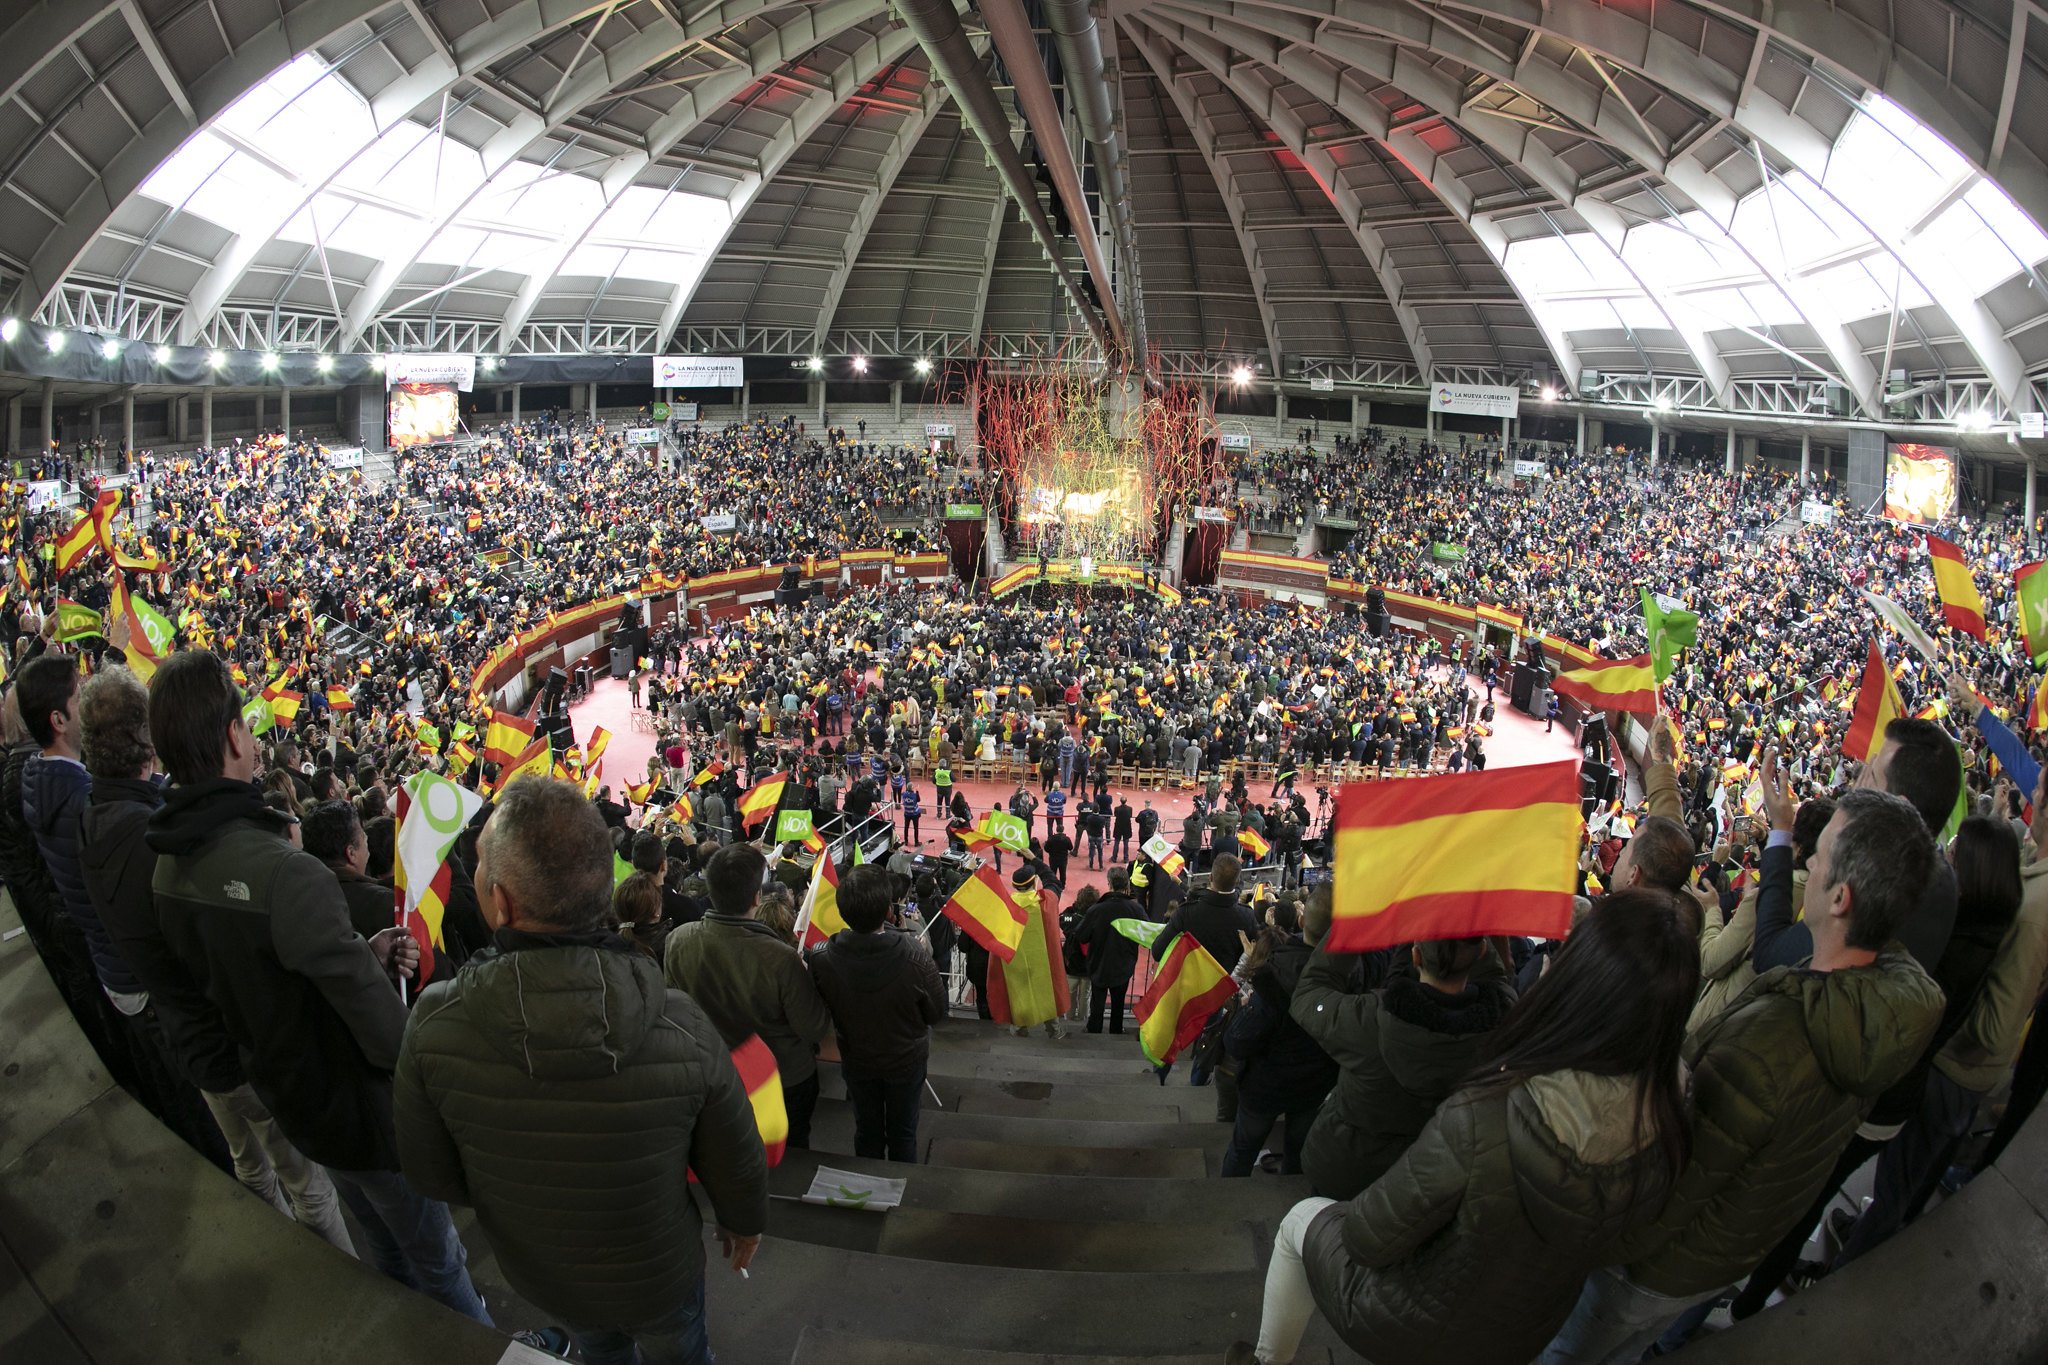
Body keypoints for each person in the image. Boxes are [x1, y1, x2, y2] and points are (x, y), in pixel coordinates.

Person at [1540, 782, 1947, 1363]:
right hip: (1721, 1255)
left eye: (1820, 851)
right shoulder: (1883, 1012)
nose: (1805, 859)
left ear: (1839, 899)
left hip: (1652, 1263)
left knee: (1569, 1350)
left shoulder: (1769, 1046)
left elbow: (1679, 1179)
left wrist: (1609, 1244)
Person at [144, 649, 490, 1324]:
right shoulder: (289, 873)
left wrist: (359, 949)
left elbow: (261, 974)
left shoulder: (166, 872)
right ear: (232, 739)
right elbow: (388, 1036)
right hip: (361, 1110)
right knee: (440, 1262)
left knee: (387, 1252)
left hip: (292, 1101)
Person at [1225, 889, 1700, 1365]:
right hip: (1529, 1324)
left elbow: (1367, 1236)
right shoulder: (1671, 1113)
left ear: (1575, 981)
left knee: (1300, 1222)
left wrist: (1382, 915)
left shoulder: (1492, 1108)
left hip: (1430, 1313)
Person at [394, 776, 769, 1365]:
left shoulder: (433, 1024)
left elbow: (432, 1173)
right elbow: (736, 1156)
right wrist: (743, 1225)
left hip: (545, 1274)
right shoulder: (683, 1025)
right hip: (660, 1274)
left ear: (501, 902)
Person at [1833, 809, 2034, 1264]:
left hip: (1931, 1076)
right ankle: (1863, 1234)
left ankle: (1848, 1269)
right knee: (1902, 1178)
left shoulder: (1960, 940)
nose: (1948, 854)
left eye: (1956, 850)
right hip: (1930, 1075)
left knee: (1895, 1186)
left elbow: (1986, 1024)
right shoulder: (1990, 926)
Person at [1289, 918, 1515, 1200]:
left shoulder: (1370, 1020)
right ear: (1482, 951)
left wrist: (1356, 918)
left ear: (1416, 955)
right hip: (1442, 1178)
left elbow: (1308, 995)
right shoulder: (1504, 1020)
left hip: (1351, 1171)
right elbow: (1496, 977)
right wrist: (1465, 914)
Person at [663, 842, 834, 1149]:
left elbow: (676, 1010)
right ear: (757, 896)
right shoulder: (781, 959)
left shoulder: (677, 941)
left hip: (713, 1075)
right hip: (783, 1079)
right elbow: (813, 1027)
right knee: (792, 1154)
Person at [806, 863, 947, 1161]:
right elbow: (936, 1012)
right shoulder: (915, 956)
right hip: (905, 1060)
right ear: (888, 910)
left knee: (866, 1132)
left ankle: (867, 1192)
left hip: (858, 1059)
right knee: (904, 1134)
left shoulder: (820, 957)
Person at [1220, 896, 1337, 1177]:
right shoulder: (1356, 973)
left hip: (1266, 1087)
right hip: (1316, 1085)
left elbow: (1237, 1041)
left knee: (1242, 1150)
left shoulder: (1277, 973)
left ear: (1301, 921)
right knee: (1298, 1153)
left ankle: (1226, 1199)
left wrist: (1244, 1013)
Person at [988, 865, 1070, 1038]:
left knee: (1018, 994)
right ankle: (1054, 1031)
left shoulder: (1005, 906)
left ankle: (1019, 1030)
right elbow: (1054, 882)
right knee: (1047, 995)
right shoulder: (1046, 901)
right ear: (1034, 882)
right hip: (1043, 964)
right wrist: (1035, 860)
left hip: (1015, 963)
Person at [1076, 868, 1145, 1034]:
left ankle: (1094, 1030)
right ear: (1127, 884)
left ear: (1109, 884)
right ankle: (1116, 1030)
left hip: (1099, 964)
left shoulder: (1096, 910)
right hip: (1123, 965)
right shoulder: (1136, 909)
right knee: (1119, 1002)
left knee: (1097, 1002)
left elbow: (1081, 935)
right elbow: (1145, 935)